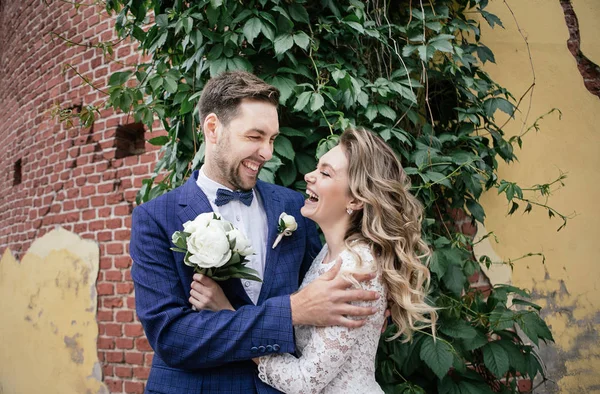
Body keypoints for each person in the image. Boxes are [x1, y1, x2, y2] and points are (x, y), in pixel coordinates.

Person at [129, 71, 380, 394]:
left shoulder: (293, 208)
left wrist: (368, 319)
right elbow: (172, 337)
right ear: (213, 128)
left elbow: (323, 302)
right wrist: (290, 311)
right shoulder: (155, 218)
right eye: (255, 137)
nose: (268, 152)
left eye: (272, 139)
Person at [190, 127, 437, 393]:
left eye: (325, 173)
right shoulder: (329, 254)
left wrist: (228, 313)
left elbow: (304, 382)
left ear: (355, 199)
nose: (309, 176)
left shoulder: (355, 268)